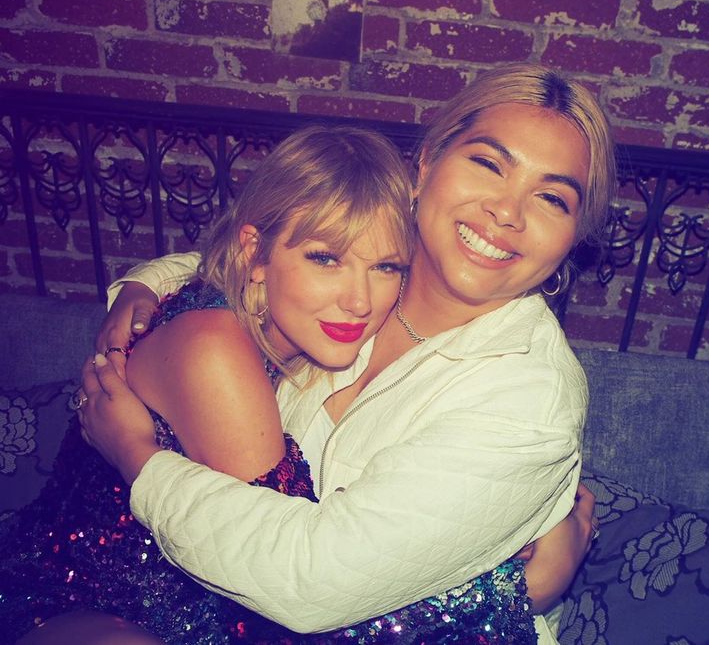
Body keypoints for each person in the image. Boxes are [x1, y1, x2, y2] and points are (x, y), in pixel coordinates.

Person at [81, 62, 614, 642]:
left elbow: (309, 584)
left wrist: (136, 457)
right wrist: (144, 284)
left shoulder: (529, 401)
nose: (507, 213)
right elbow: (268, 258)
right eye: (488, 164)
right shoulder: (379, 263)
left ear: (572, 238)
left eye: (553, 199)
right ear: (427, 165)